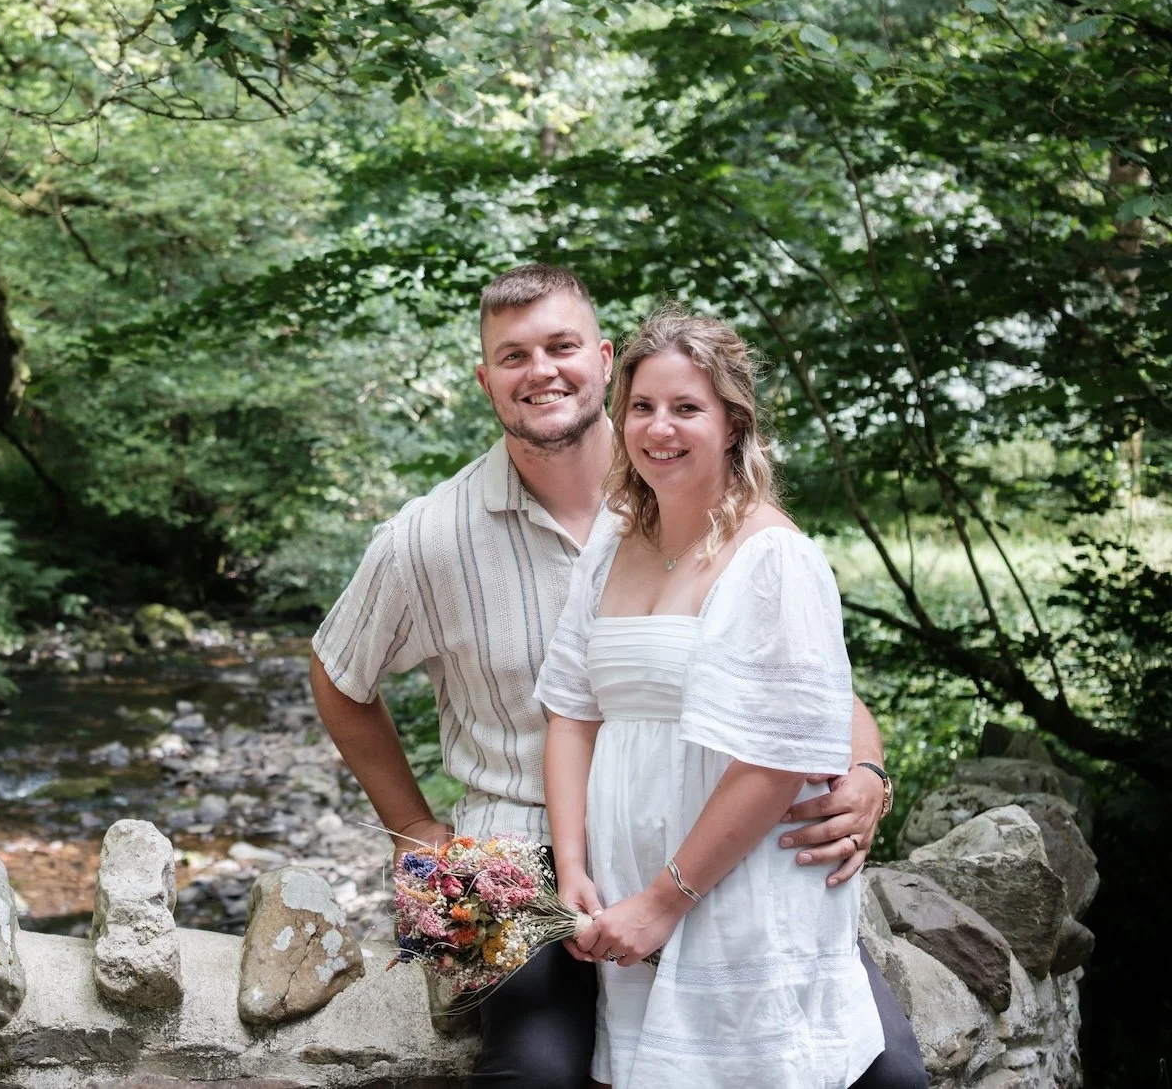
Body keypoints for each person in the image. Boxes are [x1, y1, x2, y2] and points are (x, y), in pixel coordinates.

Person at [309, 265, 924, 1089]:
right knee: (536, 1068)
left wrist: (868, 769)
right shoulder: (425, 537)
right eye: (513, 355)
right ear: (484, 378)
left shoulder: (685, 495)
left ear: (602, 359)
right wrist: (417, 834)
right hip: (516, 847)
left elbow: (807, 691)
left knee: (884, 1073)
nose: (541, 372)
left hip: (706, 833)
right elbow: (338, 674)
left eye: (561, 346)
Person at [537, 307, 887, 1087]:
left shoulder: (774, 557)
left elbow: (779, 755)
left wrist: (666, 899)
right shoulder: (611, 541)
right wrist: (573, 868)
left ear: (733, 423)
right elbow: (570, 710)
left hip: (732, 893)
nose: (659, 427)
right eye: (642, 406)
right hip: (621, 891)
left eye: (686, 407)